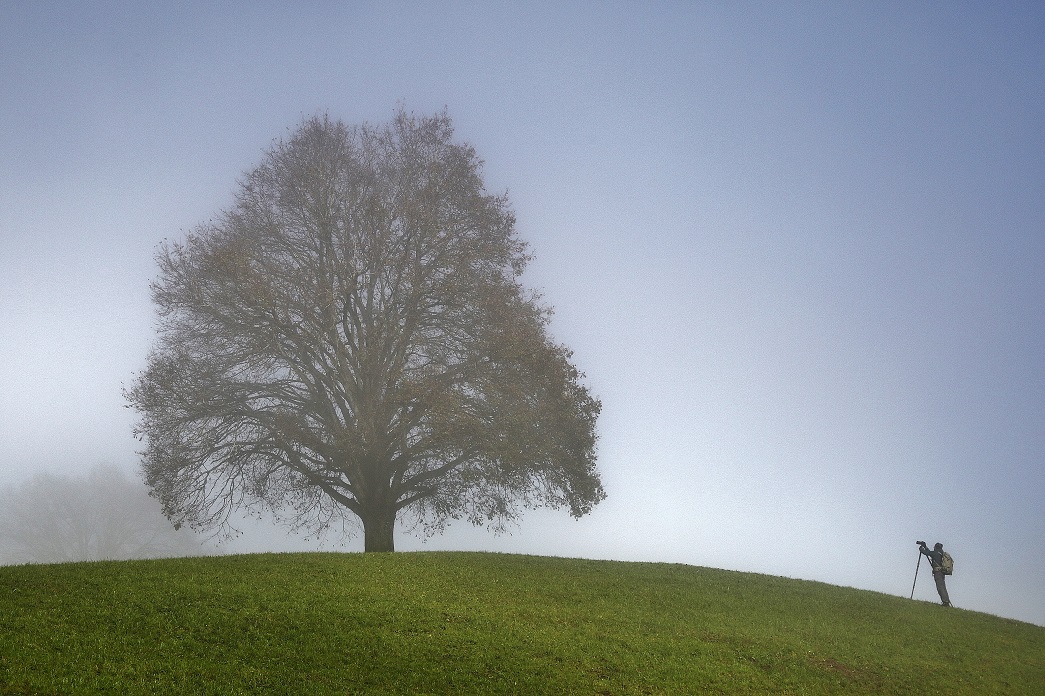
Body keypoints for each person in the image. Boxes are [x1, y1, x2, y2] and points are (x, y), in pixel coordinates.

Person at [917, 541, 952, 607]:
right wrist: (925, 547)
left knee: (940, 587)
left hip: (938, 573)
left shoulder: (936, 553)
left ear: (936, 547)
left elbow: (927, 553)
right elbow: (930, 553)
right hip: (941, 572)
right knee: (942, 586)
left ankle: (945, 602)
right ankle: (946, 601)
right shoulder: (940, 553)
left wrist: (921, 549)